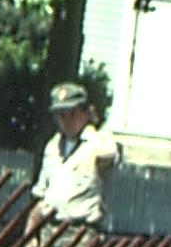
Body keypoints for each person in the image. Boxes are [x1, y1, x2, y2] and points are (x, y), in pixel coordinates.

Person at [34, 81, 120, 229]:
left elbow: (110, 156)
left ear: (86, 113)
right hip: (49, 227)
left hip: (80, 229)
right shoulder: (53, 147)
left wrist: (95, 125)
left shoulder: (96, 143)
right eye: (61, 115)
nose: (67, 121)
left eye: (72, 113)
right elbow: (41, 192)